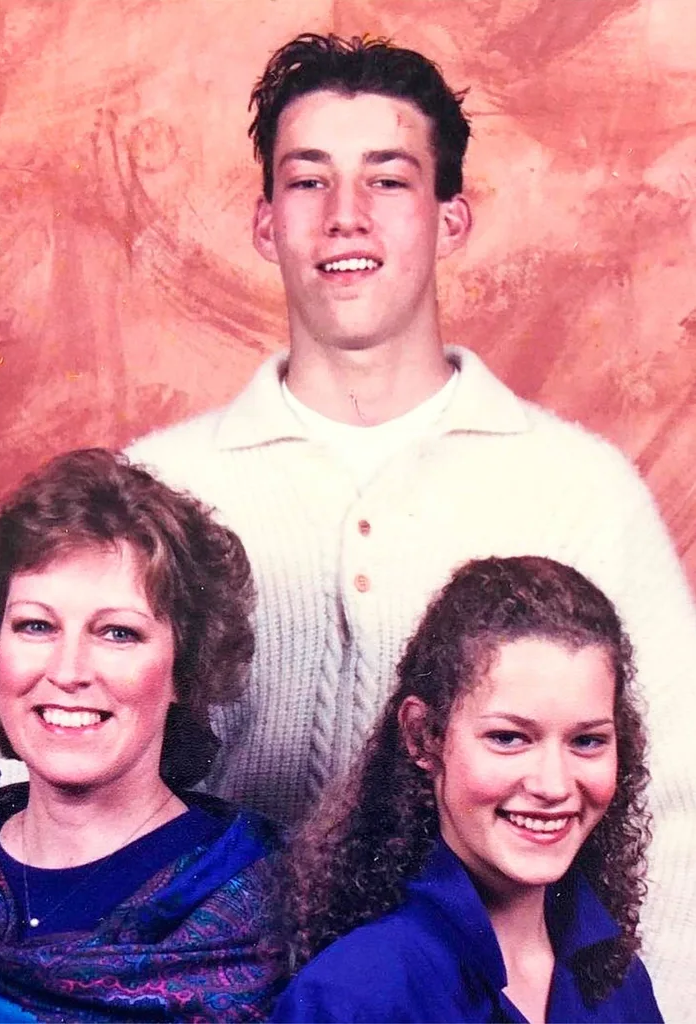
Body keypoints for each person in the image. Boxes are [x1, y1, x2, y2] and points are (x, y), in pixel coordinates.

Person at [127, 34, 696, 1016]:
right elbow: (67, 779)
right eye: (309, 181)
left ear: (452, 215)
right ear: (265, 222)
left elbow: (674, 810)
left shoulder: (582, 491)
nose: (347, 215)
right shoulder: (164, 487)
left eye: (389, 179)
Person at [0, 448, 284, 1022]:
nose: (67, 671)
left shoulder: (271, 899)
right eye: (36, 625)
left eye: (117, 633)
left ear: (184, 667)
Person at [273, 556, 662, 1023]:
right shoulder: (354, 996)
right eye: (508, 738)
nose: (554, 785)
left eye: (587, 741)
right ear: (424, 737)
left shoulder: (621, 982)